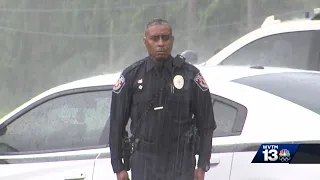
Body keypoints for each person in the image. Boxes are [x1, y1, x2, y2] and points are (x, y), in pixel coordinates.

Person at [109, 18, 216, 180]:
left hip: (181, 163)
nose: (161, 43)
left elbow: (206, 124)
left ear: (172, 40)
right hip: (144, 163)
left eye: (165, 38)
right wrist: (118, 167)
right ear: (145, 41)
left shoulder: (190, 76)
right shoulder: (131, 76)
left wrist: (202, 165)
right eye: (155, 39)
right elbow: (117, 124)